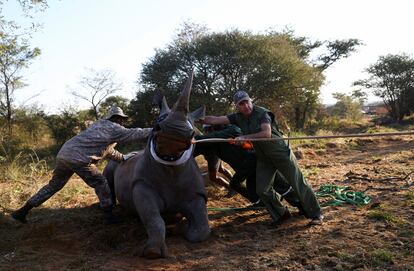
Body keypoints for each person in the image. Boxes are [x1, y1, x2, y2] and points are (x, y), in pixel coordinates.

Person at [200, 90, 323, 226]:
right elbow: (216, 119)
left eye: (246, 102)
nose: (245, 106)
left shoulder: (262, 113)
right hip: (263, 157)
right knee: (262, 189)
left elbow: (266, 133)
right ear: (237, 106)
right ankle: (282, 214)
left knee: (297, 182)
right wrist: (198, 119)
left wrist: (245, 137)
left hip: (279, 152)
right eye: (241, 104)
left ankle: (316, 214)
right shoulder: (237, 117)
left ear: (250, 101)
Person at [11, 106, 152, 224]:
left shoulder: (98, 125)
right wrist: (158, 129)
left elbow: (107, 150)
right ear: (116, 118)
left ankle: (22, 211)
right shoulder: (114, 128)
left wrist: (122, 158)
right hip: (80, 159)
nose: (122, 122)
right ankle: (109, 216)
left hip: (64, 155)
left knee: (53, 186)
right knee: (101, 182)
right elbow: (135, 133)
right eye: (121, 119)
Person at [194, 124, 304, 213]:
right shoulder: (211, 142)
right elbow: (197, 148)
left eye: (208, 130)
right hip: (246, 168)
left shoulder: (231, 129)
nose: (207, 133)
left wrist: (197, 138)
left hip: (256, 161)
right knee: (254, 190)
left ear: (214, 127)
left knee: (279, 185)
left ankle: (302, 206)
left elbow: (217, 137)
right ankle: (266, 204)